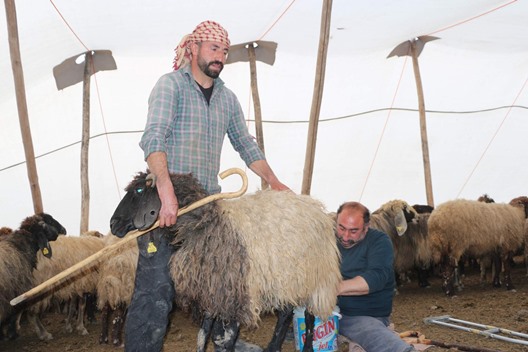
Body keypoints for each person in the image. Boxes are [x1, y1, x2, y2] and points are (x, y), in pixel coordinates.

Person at [125, 20, 289, 352]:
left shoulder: (227, 99)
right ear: (194, 48)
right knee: (156, 290)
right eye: (214, 49)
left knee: (219, 279)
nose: (220, 57)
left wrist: (273, 182)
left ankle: (224, 341)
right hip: (166, 200)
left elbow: (245, 144)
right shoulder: (170, 86)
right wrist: (166, 191)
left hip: (206, 205)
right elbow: (153, 138)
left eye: (225, 51)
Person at [335, 201, 417, 352]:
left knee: (368, 330)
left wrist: (331, 289)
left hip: (365, 315)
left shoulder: (379, 241)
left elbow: (376, 277)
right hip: (333, 311)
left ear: (366, 228)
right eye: (341, 228)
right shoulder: (330, 240)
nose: (345, 237)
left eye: (353, 231)